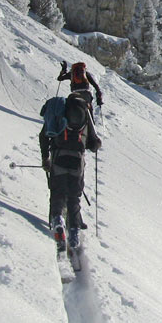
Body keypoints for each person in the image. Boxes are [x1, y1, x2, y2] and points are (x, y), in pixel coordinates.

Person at [40, 92, 102, 251]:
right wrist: (96, 143)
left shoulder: (58, 113)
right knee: (74, 197)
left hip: (58, 157)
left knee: (57, 192)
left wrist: (45, 158)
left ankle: (58, 219)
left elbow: (44, 136)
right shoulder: (85, 116)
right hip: (77, 161)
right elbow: (93, 144)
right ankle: (73, 231)